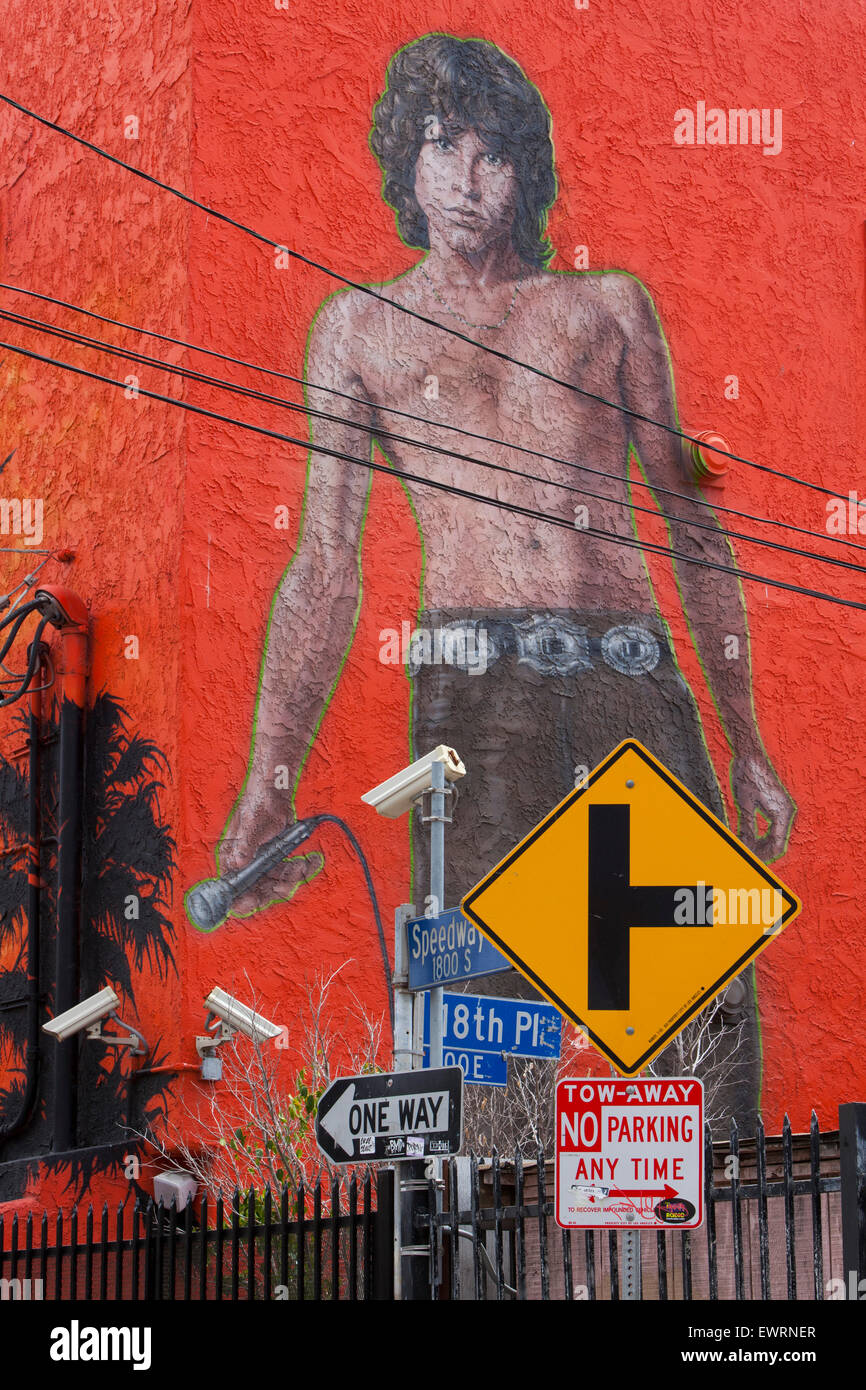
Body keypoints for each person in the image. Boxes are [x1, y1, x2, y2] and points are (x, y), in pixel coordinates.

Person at [213, 35, 795, 1131]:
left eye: (491, 154)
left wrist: (746, 740)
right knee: (487, 1067)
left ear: (523, 171)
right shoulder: (356, 331)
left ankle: (701, 1274)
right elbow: (324, 562)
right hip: (473, 715)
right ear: (407, 166)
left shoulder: (604, 307)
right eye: (442, 149)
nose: (468, 179)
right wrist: (266, 783)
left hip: (625, 691)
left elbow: (692, 522)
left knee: (697, 1049)